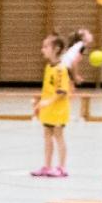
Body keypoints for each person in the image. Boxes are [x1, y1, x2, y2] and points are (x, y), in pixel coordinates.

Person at [31, 33, 71, 178]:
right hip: (48, 110)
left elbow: (61, 91)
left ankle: (62, 167)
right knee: (47, 136)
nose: (43, 49)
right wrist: (39, 105)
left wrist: (48, 101)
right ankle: (47, 166)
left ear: (56, 49)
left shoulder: (60, 69)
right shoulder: (49, 67)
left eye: (46, 46)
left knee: (58, 136)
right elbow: (47, 89)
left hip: (58, 110)